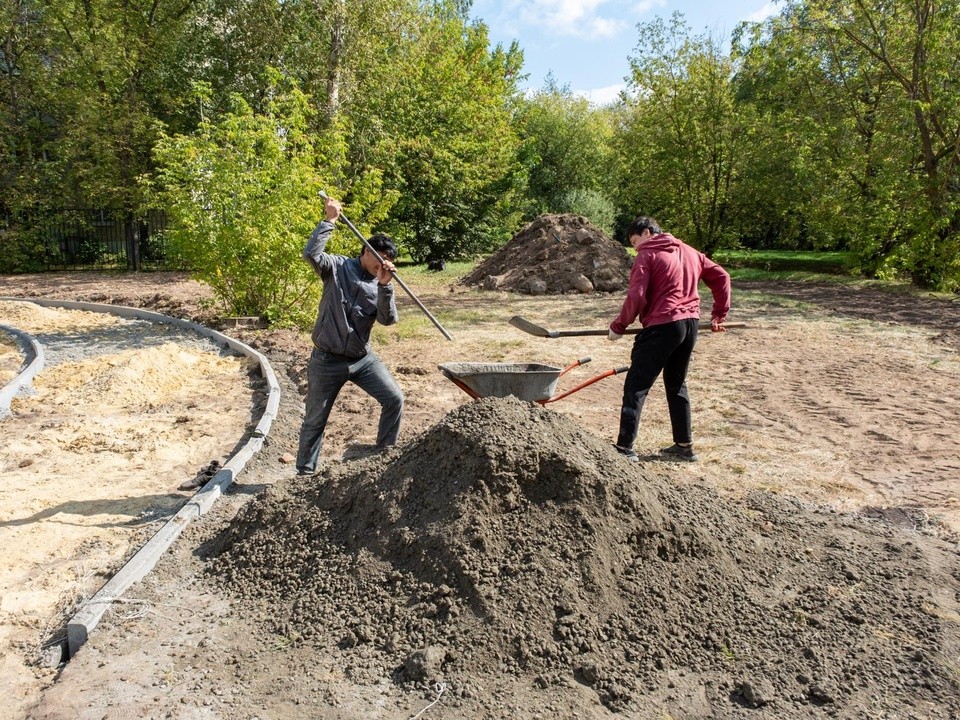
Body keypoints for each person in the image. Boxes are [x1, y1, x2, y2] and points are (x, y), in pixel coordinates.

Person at [296, 195, 404, 475]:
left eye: (389, 261)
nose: (384, 264)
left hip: (361, 358)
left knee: (394, 398)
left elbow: (387, 320)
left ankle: (383, 459)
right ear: (366, 251)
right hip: (326, 359)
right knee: (315, 419)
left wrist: (385, 287)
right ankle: (304, 474)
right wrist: (329, 220)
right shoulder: (337, 267)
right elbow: (311, 254)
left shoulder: (380, 282)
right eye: (381, 258)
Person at [608, 216, 730, 463]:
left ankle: (624, 448)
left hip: (662, 325)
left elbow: (637, 295)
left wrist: (619, 325)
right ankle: (684, 446)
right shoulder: (690, 251)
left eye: (635, 242)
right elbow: (722, 277)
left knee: (637, 384)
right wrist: (719, 313)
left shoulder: (647, 254)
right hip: (690, 325)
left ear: (646, 232)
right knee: (677, 384)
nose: (635, 248)